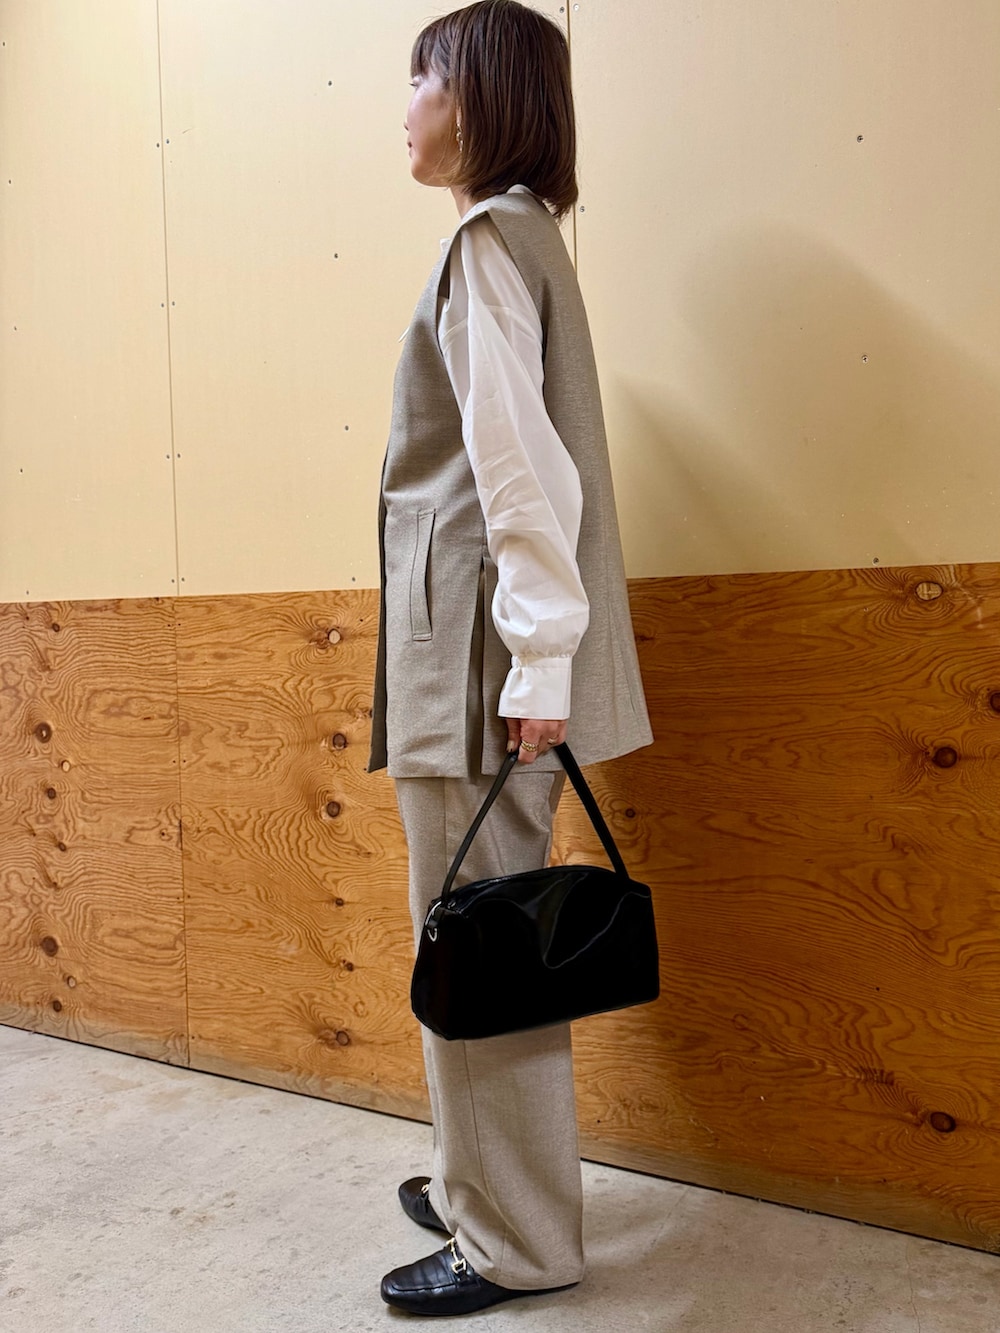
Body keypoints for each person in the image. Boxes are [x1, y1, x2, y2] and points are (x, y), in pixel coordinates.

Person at [368, 0, 653, 1316]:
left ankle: (515, 1240)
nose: (406, 109)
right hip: (486, 649)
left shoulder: (488, 243)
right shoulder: (524, 237)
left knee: (482, 946)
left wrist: (536, 664)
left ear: (474, 98)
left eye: (421, 81)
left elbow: (520, 474)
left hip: (479, 658)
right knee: (476, 932)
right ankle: (479, 1178)